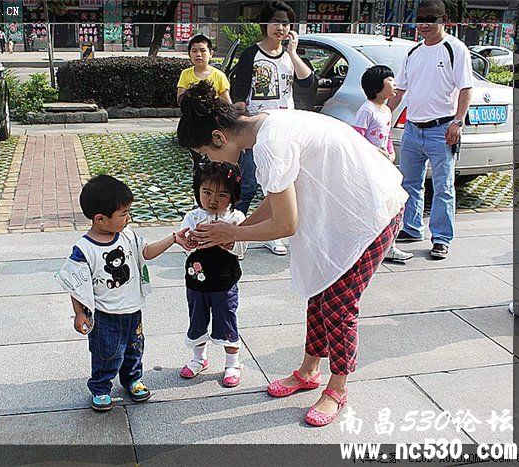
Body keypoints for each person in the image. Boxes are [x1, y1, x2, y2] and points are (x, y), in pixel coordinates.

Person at [178, 81, 408, 426]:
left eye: (205, 155)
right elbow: (276, 198)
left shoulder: (271, 142)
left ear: (218, 137)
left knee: (338, 305)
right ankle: (308, 370)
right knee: (319, 293)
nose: (207, 163)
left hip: (372, 213)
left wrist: (234, 232)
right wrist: (231, 236)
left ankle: (337, 388)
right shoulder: (266, 123)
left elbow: (285, 225)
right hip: (344, 210)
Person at [57, 175, 191, 411]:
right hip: (105, 315)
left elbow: (146, 252)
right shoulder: (84, 249)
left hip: (132, 310)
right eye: (123, 214)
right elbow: (76, 285)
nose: (128, 218)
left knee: (134, 348)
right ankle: (100, 387)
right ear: (100, 219)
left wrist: (173, 239)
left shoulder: (127, 235)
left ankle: (132, 379)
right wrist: (79, 314)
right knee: (106, 353)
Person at [388, 0, 474, 260]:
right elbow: (400, 90)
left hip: (442, 129)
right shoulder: (414, 52)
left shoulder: (455, 49)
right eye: (421, 18)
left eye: (431, 19)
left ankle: (441, 238)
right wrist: (383, 117)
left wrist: (458, 122)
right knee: (409, 183)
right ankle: (412, 228)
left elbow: (466, 88)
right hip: (413, 129)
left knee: (444, 186)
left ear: (443, 20)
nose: (424, 24)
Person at [230, 1, 314, 256]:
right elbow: (239, 92)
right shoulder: (251, 54)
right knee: (248, 185)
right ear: (264, 25)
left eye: (286, 23)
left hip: (286, 130)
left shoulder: (290, 56)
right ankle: (238, 233)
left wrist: (293, 52)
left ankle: (272, 232)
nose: (281, 27)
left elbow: (308, 81)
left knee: (279, 184)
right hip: (257, 130)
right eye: (276, 22)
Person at [178, 161, 247, 387]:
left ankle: (232, 362)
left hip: (224, 281)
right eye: (206, 192)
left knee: (227, 320)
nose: (213, 200)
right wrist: (188, 241)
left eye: (222, 194)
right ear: (198, 191)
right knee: (197, 320)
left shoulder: (236, 219)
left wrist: (229, 242)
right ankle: (199, 359)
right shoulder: (194, 216)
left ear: (233, 195)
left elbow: (242, 249)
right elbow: (184, 241)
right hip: (196, 281)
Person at [353, 65, 414, 263]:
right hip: (370, 168)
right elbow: (357, 139)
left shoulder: (387, 110)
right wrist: (376, 152)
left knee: (392, 203)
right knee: (373, 206)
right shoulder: (367, 110)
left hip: (384, 166)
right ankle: (366, 245)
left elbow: (386, 136)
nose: (395, 83)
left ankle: (389, 245)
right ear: (378, 86)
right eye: (390, 80)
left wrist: (390, 151)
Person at [177, 34, 231, 105]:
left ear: (211, 54)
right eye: (194, 51)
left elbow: (227, 103)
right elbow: (180, 100)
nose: (198, 54)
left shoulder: (220, 76)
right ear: (189, 54)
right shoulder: (185, 74)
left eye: (203, 51)